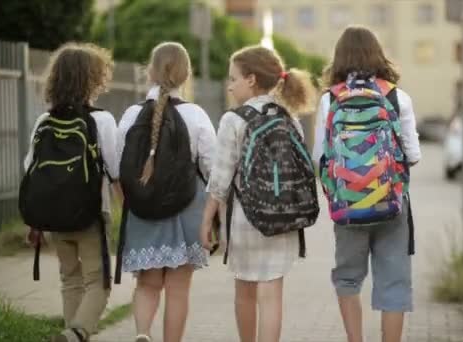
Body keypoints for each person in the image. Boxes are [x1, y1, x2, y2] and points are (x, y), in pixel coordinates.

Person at [312, 26, 422, 342]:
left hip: (347, 203)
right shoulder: (398, 97)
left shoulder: (328, 100)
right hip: (392, 202)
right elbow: (413, 155)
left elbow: (320, 158)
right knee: (394, 282)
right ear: (378, 54)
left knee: (347, 279)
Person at [200, 45, 317, 342]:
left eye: (233, 79)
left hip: (245, 220)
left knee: (245, 293)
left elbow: (220, 179)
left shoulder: (233, 120)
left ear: (251, 79)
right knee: (272, 296)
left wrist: (206, 222)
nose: (229, 85)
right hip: (284, 221)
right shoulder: (288, 118)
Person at [115, 42, 216, 342]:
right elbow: (212, 169)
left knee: (147, 284)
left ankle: (143, 333)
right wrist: (215, 215)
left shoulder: (131, 115)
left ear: (150, 72)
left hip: (143, 210)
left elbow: (120, 166)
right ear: (186, 75)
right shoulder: (196, 115)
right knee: (178, 288)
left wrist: (126, 204)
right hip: (187, 207)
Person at [21, 42, 119, 342]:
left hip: (52, 217)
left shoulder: (44, 121)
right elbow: (115, 171)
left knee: (70, 279)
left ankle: (72, 333)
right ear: (92, 81)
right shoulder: (101, 120)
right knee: (98, 283)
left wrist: (34, 222)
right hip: (90, 215)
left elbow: (31, 169)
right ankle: (76, 333)